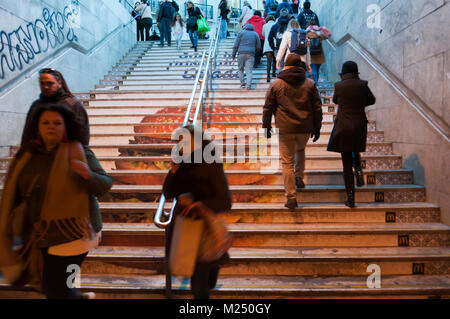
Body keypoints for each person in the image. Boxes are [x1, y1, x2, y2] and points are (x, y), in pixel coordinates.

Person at [0, 105, 113, 299]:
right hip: (40, 234)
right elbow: (14, 193)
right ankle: (77, 296)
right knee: (55, 285)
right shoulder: (27, 155)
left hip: (76, 234)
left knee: (56, 288)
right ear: (37, 127)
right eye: (45, 123)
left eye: (57, 123)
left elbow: (105, 185)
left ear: (66, 127)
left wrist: (88, 174)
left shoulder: (80, 151)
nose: (51, 127)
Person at [163, 124, 232, 299]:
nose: (181, 145)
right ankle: (212, 266)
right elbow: (168, 193)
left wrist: (200, 205)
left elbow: (225, 200)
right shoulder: (181, 163)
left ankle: (213, 266)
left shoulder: (211, 163)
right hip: (186, 227)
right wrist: (173, 171)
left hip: (205, 229)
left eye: (185, 141)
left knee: (201, 283)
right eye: (179, 142)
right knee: (197, 278)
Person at [263, 54, 323, 210]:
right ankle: (299, 177)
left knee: (287, 162)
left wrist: (266, 127)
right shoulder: (310, 84)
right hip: (304, 127)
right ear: (300, 66)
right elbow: (317, 108)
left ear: (286, 65)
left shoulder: (276, 85)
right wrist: (317, 128)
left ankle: (291, 197)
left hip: (285, 128)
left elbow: (268, 108)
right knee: (301, 150)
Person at [327, 61, 376, 208]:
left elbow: (335, 100)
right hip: (359, 125)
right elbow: (372, 100)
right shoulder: (362, 84)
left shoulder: (339, 86)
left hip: (344, 126)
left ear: (343, 73)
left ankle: (351, 198)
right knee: (355, 148)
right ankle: (359, 169)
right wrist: (359, 103)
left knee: (346, 164)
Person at [21, 68, 89, 147]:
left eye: (50, 83)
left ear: (59, 83)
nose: (46, 87)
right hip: (40, 155)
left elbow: (83, 136)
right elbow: (28, 133)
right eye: (42, 84)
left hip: (66, 154)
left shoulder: (73, 104)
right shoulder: (36, 105)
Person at [232, 23, 261, 90]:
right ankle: (248, 86)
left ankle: (242, 83)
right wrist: (253, 51)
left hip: (241, 53)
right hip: (251, 54)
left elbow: (236, 45)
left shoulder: (240, 33)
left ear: (244, 27)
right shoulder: (255, 34)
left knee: (240, 69)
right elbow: (258, 46)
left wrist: (233, 55)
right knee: (249, 71)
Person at [262, 15, 276, 82]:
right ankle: (273, 73)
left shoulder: (265, 25)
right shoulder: (276, 24)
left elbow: (263, 34)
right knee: (275, 60)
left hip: (267, 45)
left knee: (268, 61)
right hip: (275, 44)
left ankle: (268, 77)